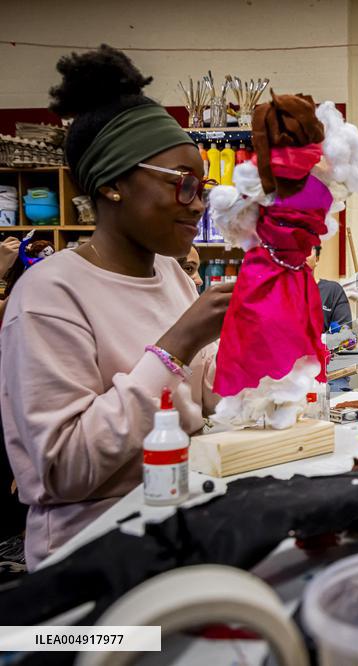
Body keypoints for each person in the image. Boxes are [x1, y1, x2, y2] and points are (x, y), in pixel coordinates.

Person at [0, 45, 232, 568]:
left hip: (176, 522)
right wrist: (177, 344)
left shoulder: (170, 272)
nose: (198, 204)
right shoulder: (48, 296)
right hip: (93, 557)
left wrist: (263, 347)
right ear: (111, 185)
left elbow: (202, 391)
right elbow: (62, 468)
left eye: (203, 187)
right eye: (184, 184)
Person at [306, 245, 352, 331]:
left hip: (321, 343)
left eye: (306, 249)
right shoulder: (279, 291)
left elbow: (345, 334)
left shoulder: (333, 291)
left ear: (317, 259)